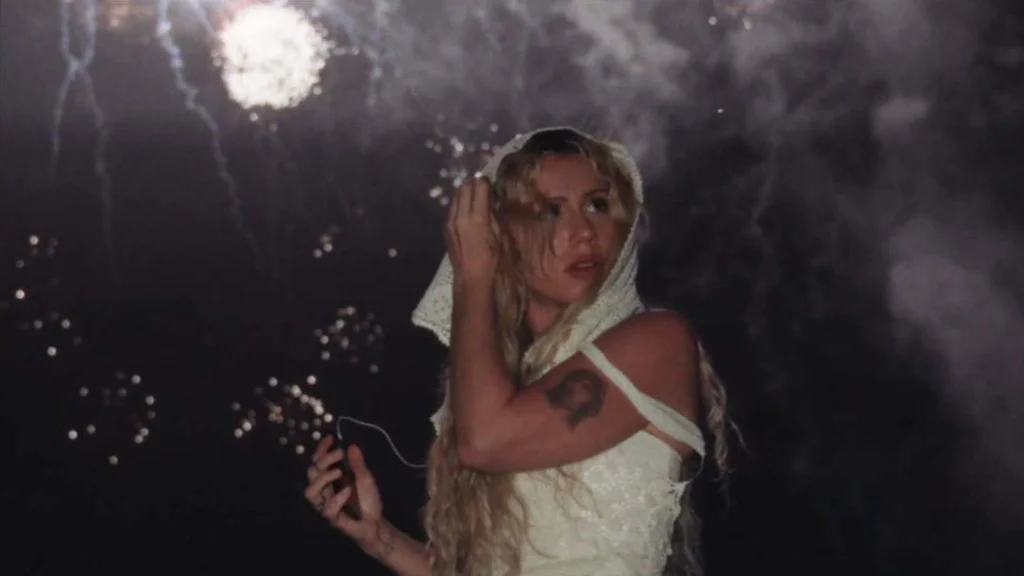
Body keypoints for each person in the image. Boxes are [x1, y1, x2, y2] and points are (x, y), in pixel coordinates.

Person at [304, 127, 732, 576]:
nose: (583, 233)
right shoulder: (502, 382)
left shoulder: (658, 342)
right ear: (501, 237)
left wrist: (474, 277)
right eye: (550, 211)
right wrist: (383, 540)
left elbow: (485, 442)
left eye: (597, 205)